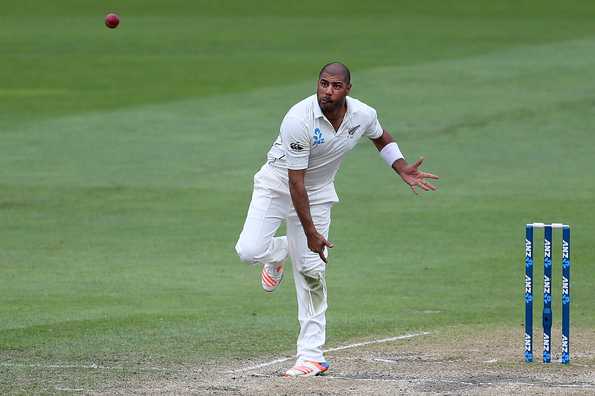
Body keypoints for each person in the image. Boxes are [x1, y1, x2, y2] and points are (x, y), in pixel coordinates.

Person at [235, 62, 438, 377]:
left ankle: (312, 356)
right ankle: (280, 255)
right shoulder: (298, 120)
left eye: (336, 86)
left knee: (312, 271)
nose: (328, 91)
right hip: (277, 186)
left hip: (317, 196)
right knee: (248, 250)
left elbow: (381, 137)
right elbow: (295, 183)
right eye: (323, 84)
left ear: (348, 89)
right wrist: (310, 233)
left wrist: (401, 167)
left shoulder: (362, 115)